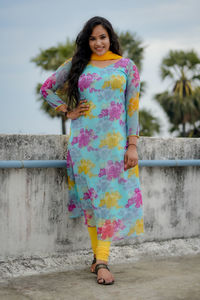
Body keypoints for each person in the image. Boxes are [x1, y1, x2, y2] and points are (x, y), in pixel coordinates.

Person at [40, 16, 144, 285]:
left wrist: (132, 145)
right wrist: (67, 111)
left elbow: (132, 109)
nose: (98, 43)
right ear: (87, 41)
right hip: (84, 148)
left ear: (111, 38)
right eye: (93, 38)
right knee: (92, 204)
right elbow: (47, 88)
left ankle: (101, 260)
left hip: (113, 150)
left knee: (107, 202)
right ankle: (100, 260)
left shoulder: (126, 67)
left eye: (102, 37)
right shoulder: (78, 65)